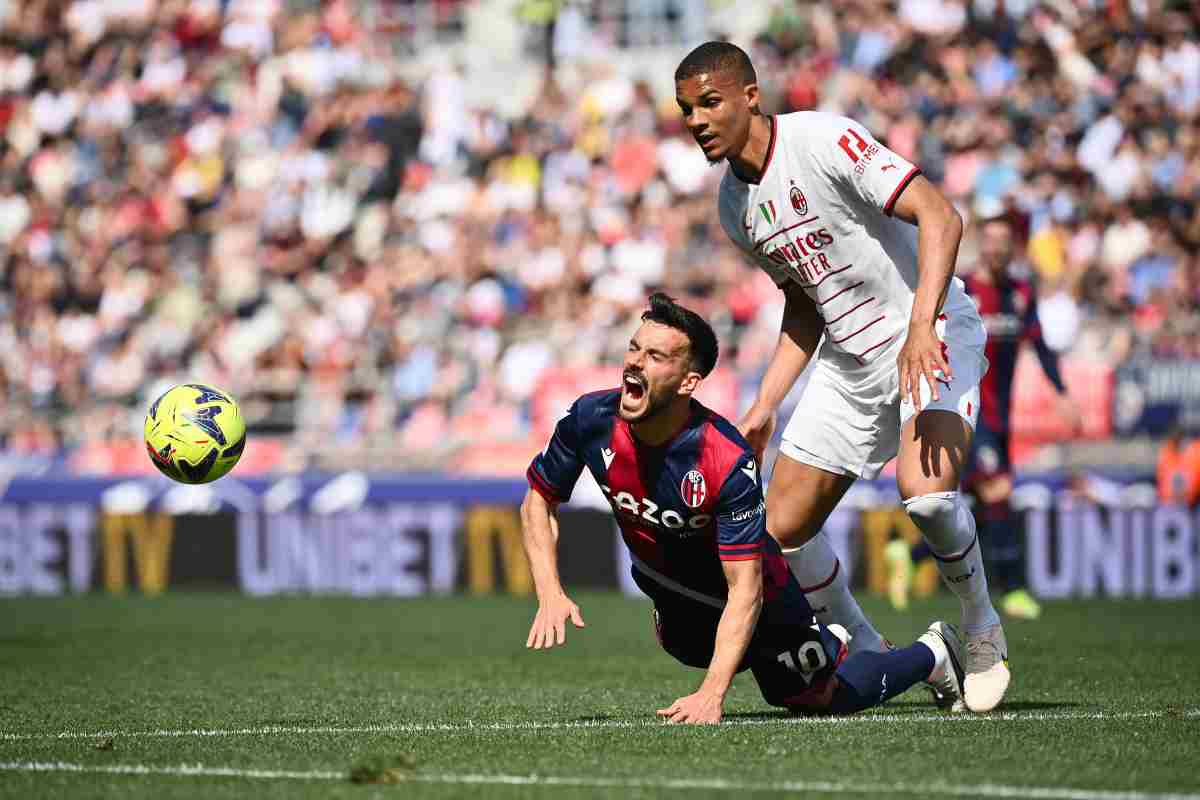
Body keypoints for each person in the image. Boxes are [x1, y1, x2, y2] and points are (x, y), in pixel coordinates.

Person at [674, 41, 1007, 712]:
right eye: (686, 110)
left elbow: (941, 215)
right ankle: (867, 646)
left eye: (710, 102)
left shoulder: (823, 140)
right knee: (782, 529)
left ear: (750, 96)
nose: (698, 120)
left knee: (928, 498)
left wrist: (921, 326)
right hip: (850, 363)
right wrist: (766, 401)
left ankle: (981, 627)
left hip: (932, 334)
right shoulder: (733, 208)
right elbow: (804, 301)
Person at [520, 293, 966, 724]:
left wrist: (711, 696)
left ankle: (931, 654)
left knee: (813, 697)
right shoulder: (590, 419)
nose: (635, 361)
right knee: (691, 648)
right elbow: (539, 499)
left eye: (656, 356)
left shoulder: (724, 460)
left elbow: (746, 586)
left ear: (688, 382)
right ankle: (828, 642)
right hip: (674, 595)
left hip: (758, 595)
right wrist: (549, 590)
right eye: (634, 348)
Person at [885, 211, 1079, 620]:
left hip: (1001, 415)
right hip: (966, 410)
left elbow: (1040, 346)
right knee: (998, 493)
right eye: (990, 240)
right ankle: (1013, 588)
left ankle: (909, 552)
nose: (997, 247)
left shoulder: (1021, 293)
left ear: (1013, 247)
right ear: (981, 245)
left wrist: (1061, 392)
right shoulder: (963, 290)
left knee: (972, 504)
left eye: (1004, 241)